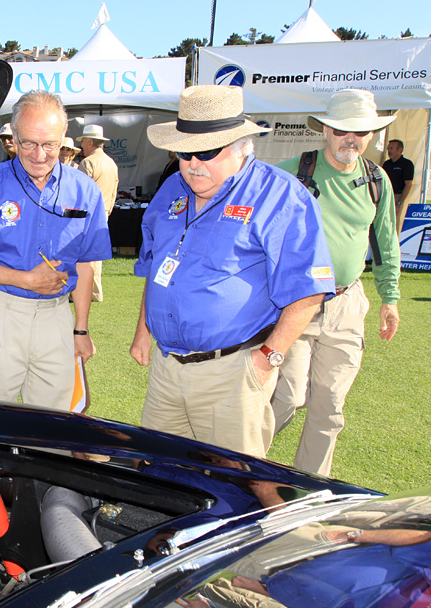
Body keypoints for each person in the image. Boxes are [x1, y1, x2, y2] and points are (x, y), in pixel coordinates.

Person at [130, 85, 334, 458]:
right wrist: (143, 330)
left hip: (233, 372)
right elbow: (156, 266)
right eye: (184, 152)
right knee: (160, 476)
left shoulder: (280, 195)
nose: (193, 164)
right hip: (166, 368)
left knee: (235, 486)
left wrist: (269, 357)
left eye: (207, 152)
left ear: (241, 146)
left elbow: (309, 288)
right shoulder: (171, 189)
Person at [0, 90, 111, 410]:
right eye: (28, 144)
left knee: (54, 427)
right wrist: (26, 280)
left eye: (49, 144)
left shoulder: (85, 190)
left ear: (64, 139)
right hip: (1, 313)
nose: (39, 154)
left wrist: (80, 329)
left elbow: (84, 266)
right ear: (13, 136)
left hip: (57, 317)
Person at [273, 89, 401, 477]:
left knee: (329, 405)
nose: (352, 139)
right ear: (326, 130)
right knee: (286, 397)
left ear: (373, 135)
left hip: (347, 305)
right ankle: (238, 471)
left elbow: (385, 242)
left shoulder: (377, 181)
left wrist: (390, 297)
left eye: (362, 132)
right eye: (344, 130)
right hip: (296, 304)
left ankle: (309, 487)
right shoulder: (293, 173)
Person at [77, 124, 119, 303]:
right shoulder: (111, 162)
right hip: (104, 213)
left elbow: (78, 191)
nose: (82, 147)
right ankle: (95, 291)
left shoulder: (88, 163)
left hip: (87, 214)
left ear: (90, 142)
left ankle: (86, 291)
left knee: (84, 254)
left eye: (84, 142)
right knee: (95, 255)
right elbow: (114, 189)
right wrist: (108, 209)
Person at [383, 138, 414, 235]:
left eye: (391, 148)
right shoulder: (386, 164)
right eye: (388, 149)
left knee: (394, 221)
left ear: (399, 150)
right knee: (383, 221)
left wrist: (400, 202)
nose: (389, 151)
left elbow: (408, 184)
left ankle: (393, 244)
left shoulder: (407, 164)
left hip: (397, 196)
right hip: (385, 196)